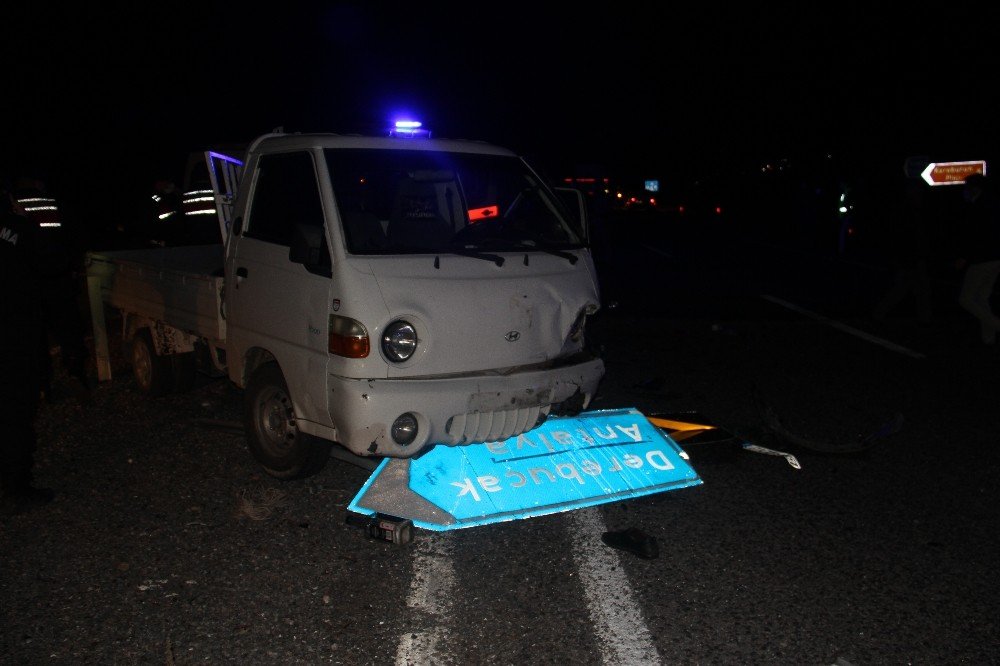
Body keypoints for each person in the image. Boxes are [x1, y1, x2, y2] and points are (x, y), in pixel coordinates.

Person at [0, 177, 55, 512]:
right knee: (14, 412)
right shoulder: (13, 227)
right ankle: (16, 487)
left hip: (14, 333)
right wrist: (23, 221)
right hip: (12, 337)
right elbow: (53, 261)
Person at [871, 162, 933, 324]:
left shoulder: (912, 210)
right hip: (909, 256)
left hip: (913, 256)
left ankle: (923, 318)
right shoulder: (906, 211)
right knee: (908, 288)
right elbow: (903, 235)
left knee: (914, 289)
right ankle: (880, 313)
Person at [955, 172, 1000, 346]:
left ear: (974, 188)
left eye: (967, 187)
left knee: (966, 298)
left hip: (982, 258)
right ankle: (988, 338)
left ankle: (996, 326)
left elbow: (976, 235)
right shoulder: (992, 204)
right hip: (994, 257)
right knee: (982, 297)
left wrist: (965, 256)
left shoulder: (979, 207)